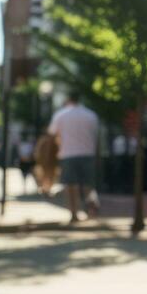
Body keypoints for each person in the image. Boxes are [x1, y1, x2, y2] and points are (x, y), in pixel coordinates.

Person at [47, 91, 100, 223]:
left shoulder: (61, 115)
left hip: (68, 154)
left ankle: (74, 214)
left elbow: (51, 133)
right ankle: (91, 208)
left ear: (68, 99)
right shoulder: (91, 115)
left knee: (71, 186)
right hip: (88, 153)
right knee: (88, 185)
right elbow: (96, 135)